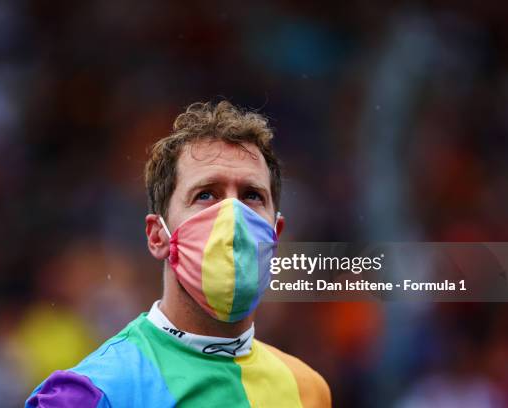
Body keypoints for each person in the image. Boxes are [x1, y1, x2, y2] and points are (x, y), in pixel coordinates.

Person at [25, 101, 331, 407]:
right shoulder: (89, 394)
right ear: (158, 236)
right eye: (206, 194)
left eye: (251, 196)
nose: (232, 216)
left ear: (275, 234)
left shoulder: (307, 390)